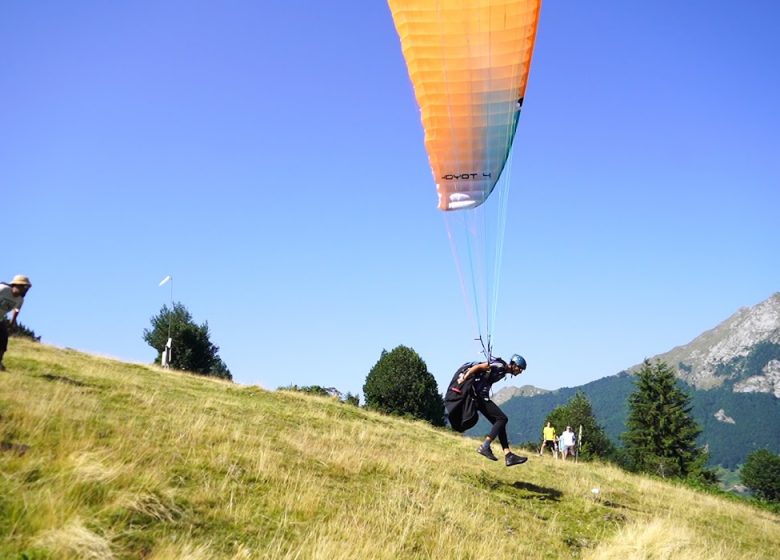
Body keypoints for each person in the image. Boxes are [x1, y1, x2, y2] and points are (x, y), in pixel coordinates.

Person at [453, 354, 528, 467]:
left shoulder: (503, 371)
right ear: (513, 365)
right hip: (478, 397)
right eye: (520, 368)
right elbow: (478, 367)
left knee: (500, 424)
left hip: (480, 396)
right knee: (502, 419)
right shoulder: (499, 366)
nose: (520, 372)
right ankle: (485, 446)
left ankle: (508, 456)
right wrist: (464, 377)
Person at [0, 275, 32, 371]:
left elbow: (17, 309)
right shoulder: (3, 289)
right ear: (16, 285)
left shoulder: (20, 299)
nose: (26, 290)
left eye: (27, 288)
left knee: (3, 339)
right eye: (24, 287)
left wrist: (13, 321)